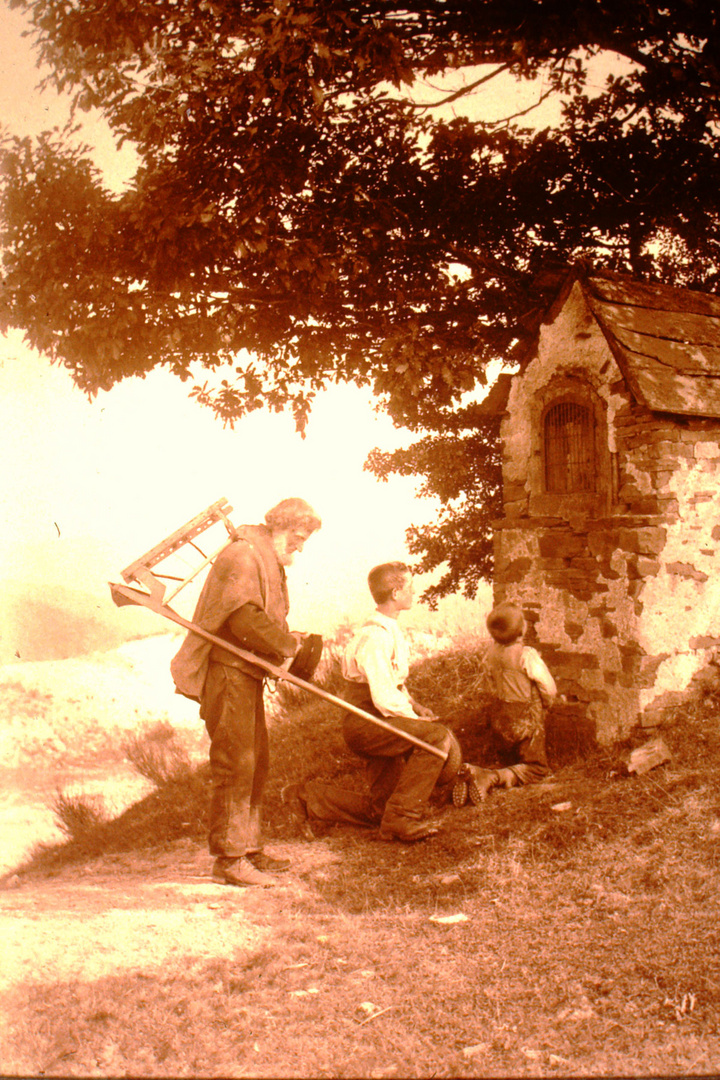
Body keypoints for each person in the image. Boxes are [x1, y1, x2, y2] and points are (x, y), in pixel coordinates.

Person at [170, 497, 321, 887]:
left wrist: (286, 643)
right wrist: (289, 647)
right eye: (298, 537)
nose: (301, 547)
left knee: (256, 763)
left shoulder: (263, 557)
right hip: (227, 675)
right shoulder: (244, 556)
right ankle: (229, 860)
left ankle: (249, 849)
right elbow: (243, 619)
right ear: (279, 527)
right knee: (236, 763)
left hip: (244, 675)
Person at [287, 562, 462, 842]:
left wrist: (413, 704)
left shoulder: (387, 628)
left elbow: (391, 680)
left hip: (377, 719)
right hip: (367, 723)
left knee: (380, 810)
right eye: (409, 586)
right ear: (395, 592)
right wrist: (417, 722)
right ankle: (402, 818)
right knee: (434, 739)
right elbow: (384, 696)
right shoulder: (375, 637)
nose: (414, 590)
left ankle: (307, 797)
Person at [453, 600, 556, 806]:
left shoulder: (492, 653)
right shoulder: (527, 655)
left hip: (500, 715)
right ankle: (491, 777)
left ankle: (475, 772)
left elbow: (488, 682)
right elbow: (548, 687)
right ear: (523, 629)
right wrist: (546, 704)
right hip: (525, 718)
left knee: (509, 758)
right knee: (537, 769)